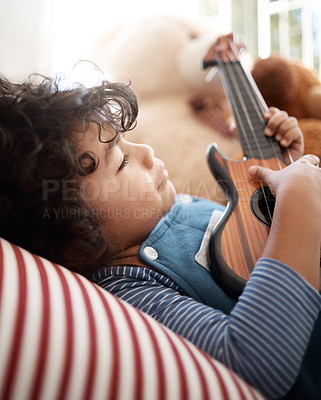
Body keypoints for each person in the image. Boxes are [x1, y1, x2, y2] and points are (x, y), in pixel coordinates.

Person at [0, 71, 320, 400]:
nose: (147, 152)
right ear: (71, 234)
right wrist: (299, 201)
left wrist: (283, 172)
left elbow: (263, 244)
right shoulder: (135, 293)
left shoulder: (170, 207)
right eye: (122, 161)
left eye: (126, 140)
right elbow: (255, 362)